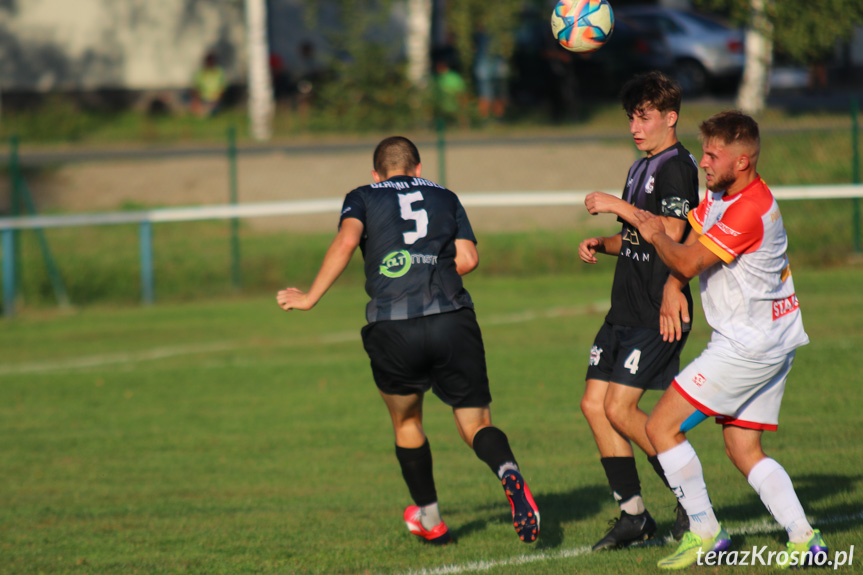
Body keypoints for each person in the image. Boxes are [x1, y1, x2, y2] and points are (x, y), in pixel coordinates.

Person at [276, 136, 540, 545]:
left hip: (393, 327)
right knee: (476, 424)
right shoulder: (444, 195)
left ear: (375, 174)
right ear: (418, 169)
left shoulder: (362, 196)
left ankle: (430, 518)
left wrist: (309, 297)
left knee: (407, 421)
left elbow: (347, 242)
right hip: (452, 319)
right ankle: (508, 472)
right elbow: (468, 259)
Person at [631, 111, 828, 569]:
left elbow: (685, 260)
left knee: (661, 428)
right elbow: (694, 237)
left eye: (713, 155)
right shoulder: (721, 195)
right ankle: (805, 538)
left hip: (747, 345)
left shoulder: (748, 210)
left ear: (742, 162)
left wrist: (657, 236)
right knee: (744, 449)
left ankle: (705, 533)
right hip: (774, 339)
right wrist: (668, 281)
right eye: (704, 152)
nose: (703, 162)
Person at [577, 71, 699, 551]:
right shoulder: (639, 167)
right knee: (594, 406)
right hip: (623, 308)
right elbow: (637, 239)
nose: (635, 126)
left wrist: (614, 206)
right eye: (631, 117)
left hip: (656, 310)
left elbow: (669, 231)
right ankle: (633, 516)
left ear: (670, 118)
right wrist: (602, 243)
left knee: (620, 408)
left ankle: (693, 498)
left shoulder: (677, 166)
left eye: (644, 117)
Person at [190, 51, 227, 118]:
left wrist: (217, 99)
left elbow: (223, 88)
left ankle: (208, 112)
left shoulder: (219, 72)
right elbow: (196, 88)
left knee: (211, 110)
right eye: (208, 62)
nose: (209, 64)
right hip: (203, 99)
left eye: (211, 62)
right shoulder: (201, 73)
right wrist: (197, 100)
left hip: (215, 100)